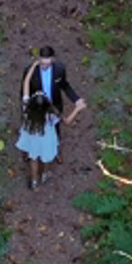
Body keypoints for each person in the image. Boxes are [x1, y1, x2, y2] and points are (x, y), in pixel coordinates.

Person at [16, 59, 85, 188]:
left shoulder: (26, 107)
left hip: (32, 138)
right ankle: (45, 173)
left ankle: (34, 179)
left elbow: (26, 83)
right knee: (47, 157)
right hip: (46, 140)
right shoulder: (51, 116)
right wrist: (77, 108)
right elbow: (67, 121)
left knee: (33, 158)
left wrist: (34, 65)